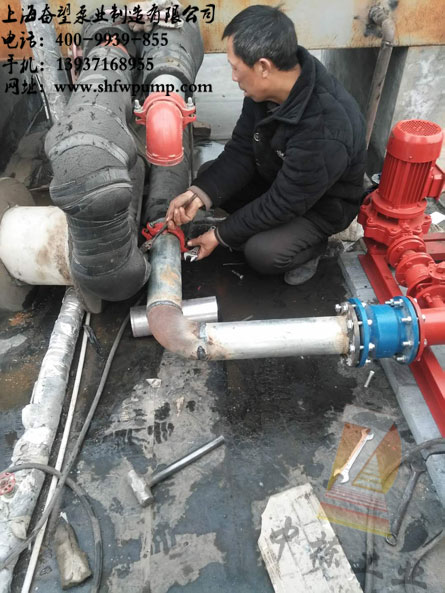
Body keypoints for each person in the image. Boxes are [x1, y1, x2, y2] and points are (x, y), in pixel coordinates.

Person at [166, 4, 366, 285]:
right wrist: (197, 195)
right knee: (210, 180)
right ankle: (254, 225)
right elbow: (241, 150)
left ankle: (314, 247)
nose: (233, 77)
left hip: (319, 207)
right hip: (279, 179)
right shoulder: (266, 91)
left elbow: (283, 203)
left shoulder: (326, 127)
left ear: (263, 67)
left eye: (236, 68)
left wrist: (219, 235)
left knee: (262, 253)